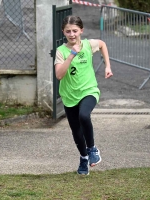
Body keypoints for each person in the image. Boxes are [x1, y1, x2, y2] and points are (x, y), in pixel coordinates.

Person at [54, 15, 113, 175]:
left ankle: (92, 149)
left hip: (89, 90)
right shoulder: (61, 51)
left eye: (75, 31)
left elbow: (102, 44)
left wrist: (108, 66)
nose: (72, 34)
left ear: (81, 30)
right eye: (68, 31)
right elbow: (59, 75)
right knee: (76, 131)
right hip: (69, 95)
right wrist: (72, 54)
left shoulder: (88, 45)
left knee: (84, 116)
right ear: (63, 32)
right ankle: (83, 157)